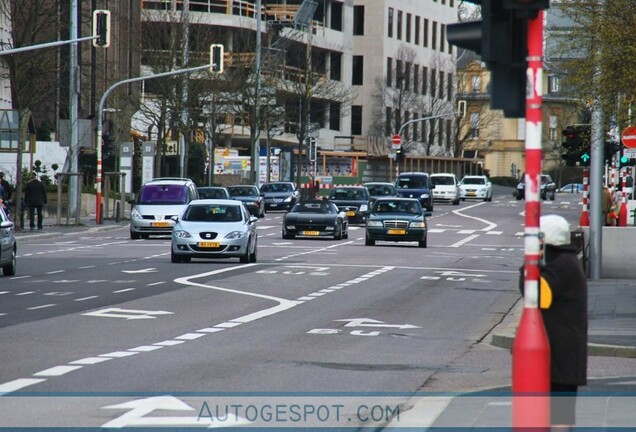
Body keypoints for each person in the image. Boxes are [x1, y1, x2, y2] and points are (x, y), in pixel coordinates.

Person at [520, 215, 588, 431]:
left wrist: (528, 266)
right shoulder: (565, 263)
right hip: (561, 354)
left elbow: (538, 295)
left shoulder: (561, 266)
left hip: (561, 355)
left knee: (559, 415)